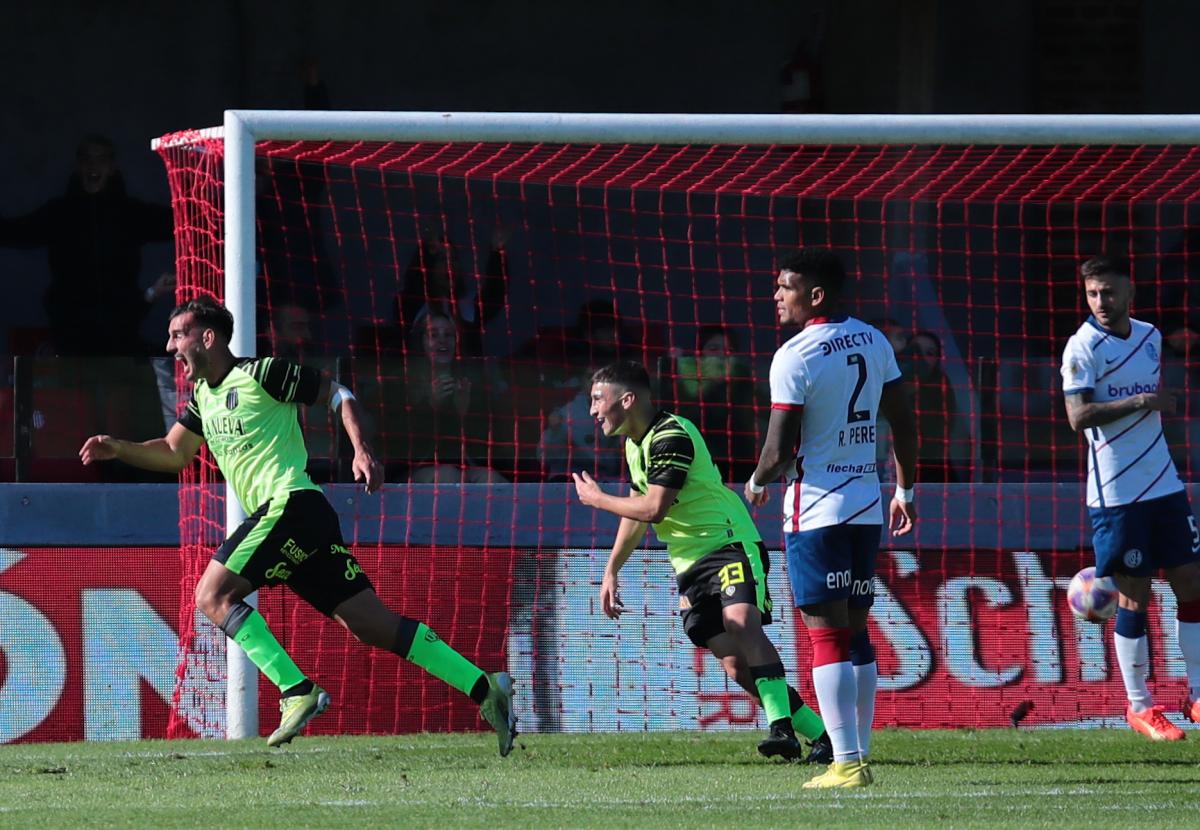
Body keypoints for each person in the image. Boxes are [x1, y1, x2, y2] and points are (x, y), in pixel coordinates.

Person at [79, 297, 517, 754]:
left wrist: (360, 450)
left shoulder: (263, 373)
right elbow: (174, 452)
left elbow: (338, 392)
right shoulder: (203, 398)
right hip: (303, 520)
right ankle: (486, 688)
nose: (171, 347)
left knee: (212, 594)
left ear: (206, 338)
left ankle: (296, 690)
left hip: (289, 504)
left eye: (177, 336)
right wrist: (120, 448)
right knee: (371, 624)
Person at [572, 360, 832, 764]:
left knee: (741, 622)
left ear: (627, 399)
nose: (592, 410)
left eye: (597, 400)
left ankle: (781, 729)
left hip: (727, 542)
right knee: (733, 663)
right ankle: (822, 737)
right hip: (689, 563)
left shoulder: (671, 435)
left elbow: (655, 508)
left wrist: (597, 498)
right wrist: (611, 569)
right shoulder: (633, 445)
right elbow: (638, 509)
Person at [745, 248, 917, 789]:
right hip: (866, 505)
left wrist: (754, 483)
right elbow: (906, 422)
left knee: (826, 637)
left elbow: (777, 450)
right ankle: (858, 752)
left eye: (784, 287)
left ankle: (845, 763)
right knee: (857, 632)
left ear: (814, 295)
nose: (776, 295)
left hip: (816, 508)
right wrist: (905, 489)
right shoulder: (874, 338)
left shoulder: (794, 355)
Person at [1061, 255, 1200, 742]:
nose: (1101, 302)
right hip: (1116, 492)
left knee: (1191, 581)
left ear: (1130, 291)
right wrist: (1140, 402)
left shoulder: (1150, 336)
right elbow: (1077, 417)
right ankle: (1141, 707)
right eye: (1094, 293)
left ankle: (1197, 694)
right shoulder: (1081, 347)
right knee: (1134, 594)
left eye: (1109, 292)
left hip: (1164, 480)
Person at [0, 134, 175, 356]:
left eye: (101, 159)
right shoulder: (59, 214)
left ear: (111, 167)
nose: (94, 165)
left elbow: (179, 221)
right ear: (79, 166)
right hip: (71, 332)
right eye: (87, 159)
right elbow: (16, 232)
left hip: (122, 327)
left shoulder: (130, 214)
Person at [398, 310, 510, 483]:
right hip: (415, 470)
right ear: (421, 342)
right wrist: (430, 406)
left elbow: (490, 442)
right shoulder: (403, 381)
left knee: (491, 480)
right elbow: (398, 442)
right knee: (447, 476)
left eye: (448, 335)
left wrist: (464, 412)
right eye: (433, 335)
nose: (442, 340)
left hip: (465, 467)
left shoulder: (470, 381)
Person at [396, 225, 509, 357]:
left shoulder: (469, 306)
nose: (450, 266)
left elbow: (496, 293)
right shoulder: (412, 306)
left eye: (453, 259)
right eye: (443, 259)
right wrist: (428, 251)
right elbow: (412, 286)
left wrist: (497, 252)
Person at [672, 325, 759, 482]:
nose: (721, 356)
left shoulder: (747, 392)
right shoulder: (680, 393)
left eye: (729, 351)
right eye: (713, 349)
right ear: (698, 355)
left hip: (740, 474)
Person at [905, 330, 960, 482]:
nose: (921, 357)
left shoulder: (941, 387)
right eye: (915, 350)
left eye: (929, 353)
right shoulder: (887, 385)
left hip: (931, 472)